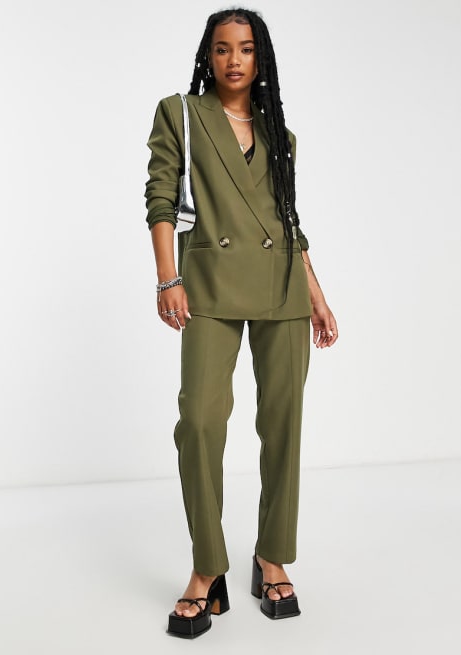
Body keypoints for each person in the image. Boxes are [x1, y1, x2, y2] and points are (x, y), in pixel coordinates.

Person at [144, 7, 338, 638]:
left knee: (284, 425)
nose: (234, 60)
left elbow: (288, 220)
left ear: (261, 59)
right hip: (206, 286)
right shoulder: (181, 114)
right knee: (199, 423)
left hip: (282, 286)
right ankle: (208, 566)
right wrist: (168, 278)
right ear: (209, 55)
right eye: (223, 48)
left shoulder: (281, 134)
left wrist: (317, 294)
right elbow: (161, 197)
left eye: (246, 48)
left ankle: (272, 557)